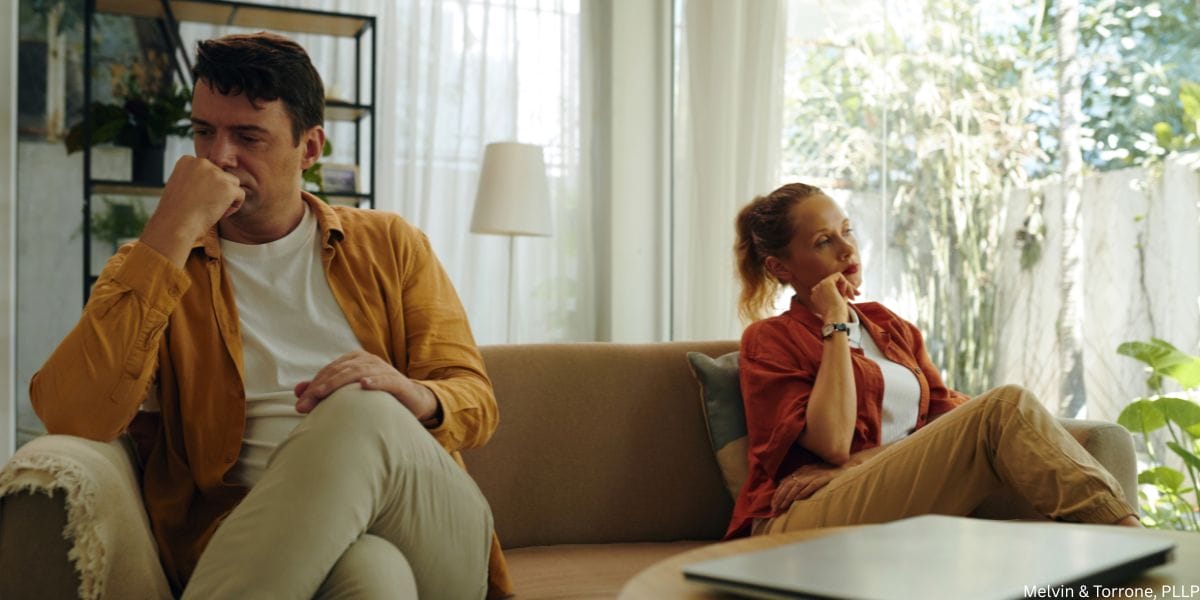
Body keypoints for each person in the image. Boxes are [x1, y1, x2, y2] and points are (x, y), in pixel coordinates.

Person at [31, 32, 511, 599]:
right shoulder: (156, 265)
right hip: (259, 538)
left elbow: (475, 401)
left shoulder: (391, 244)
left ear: (309, 148)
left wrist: (409, 393)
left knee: (360, 405)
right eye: (203, 132)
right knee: (372, 576)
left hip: (426, 524)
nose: (218, 157)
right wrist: (169, 230)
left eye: (248, 136)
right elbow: (72, 414)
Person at [727, 181, 1139, 539]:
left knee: (1009, 429)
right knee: (1003, 405)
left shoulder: (889, 326)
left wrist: (861, 463)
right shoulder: (770, 339)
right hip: (800, 514)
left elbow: (945, 420)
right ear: (780, 266)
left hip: (876, 488)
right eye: (823, 241)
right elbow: (832, 444)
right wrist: (835, 320)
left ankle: (1123, 547)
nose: (847, 248)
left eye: (846, 231)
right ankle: (1134, 541)